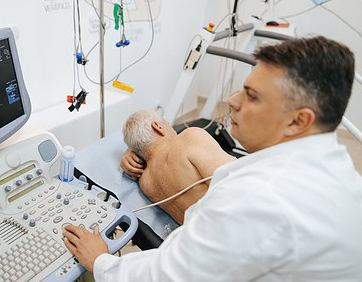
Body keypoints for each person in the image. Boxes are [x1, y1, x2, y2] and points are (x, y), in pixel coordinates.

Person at [62, 36, 362, 281]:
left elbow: (170, 275)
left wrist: (100, 261)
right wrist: (143, 149)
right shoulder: (339, 173)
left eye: (251, 95)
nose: (232, 100)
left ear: (298, 121)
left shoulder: (253, 196)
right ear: (159, 126)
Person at [121, 109, 235, 224]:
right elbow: (237, 182)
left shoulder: (144, 182)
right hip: (237, 224)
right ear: (157, 127)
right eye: (167, 124)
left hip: (206, 237)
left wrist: (133, 149)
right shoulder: (189, 137)